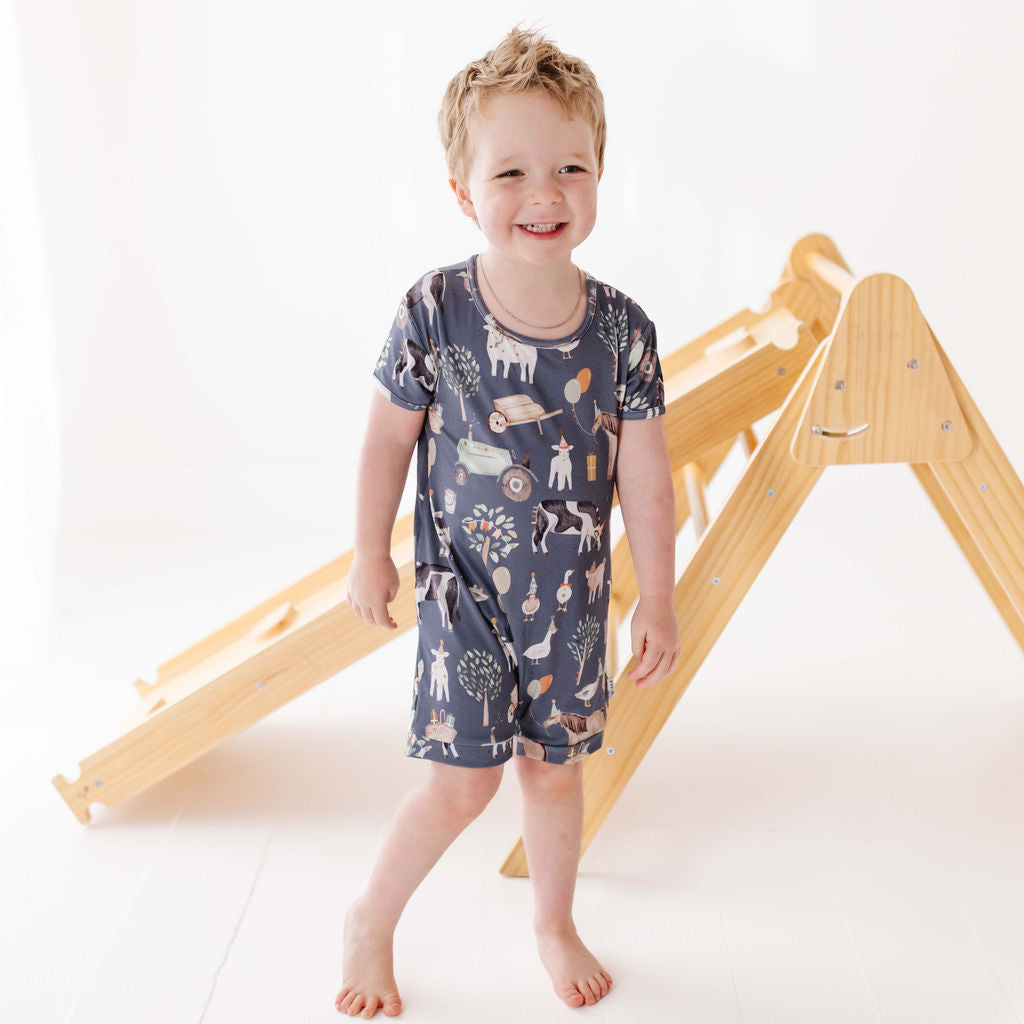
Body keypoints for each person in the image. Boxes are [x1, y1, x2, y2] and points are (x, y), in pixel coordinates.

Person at [337, 22, 679, 1019]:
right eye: (514, 171)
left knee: (554, 775)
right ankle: (370, 916)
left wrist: (653, 593)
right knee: (462, 786)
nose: (545, 195)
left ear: (601, 174)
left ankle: (551, 921)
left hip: (569, 598)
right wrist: (369, 551)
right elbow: (384, 445)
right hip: (465, 596)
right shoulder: (433, 312)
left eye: (571, 166)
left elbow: (647, 480)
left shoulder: (622, 330)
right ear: (462, 193)